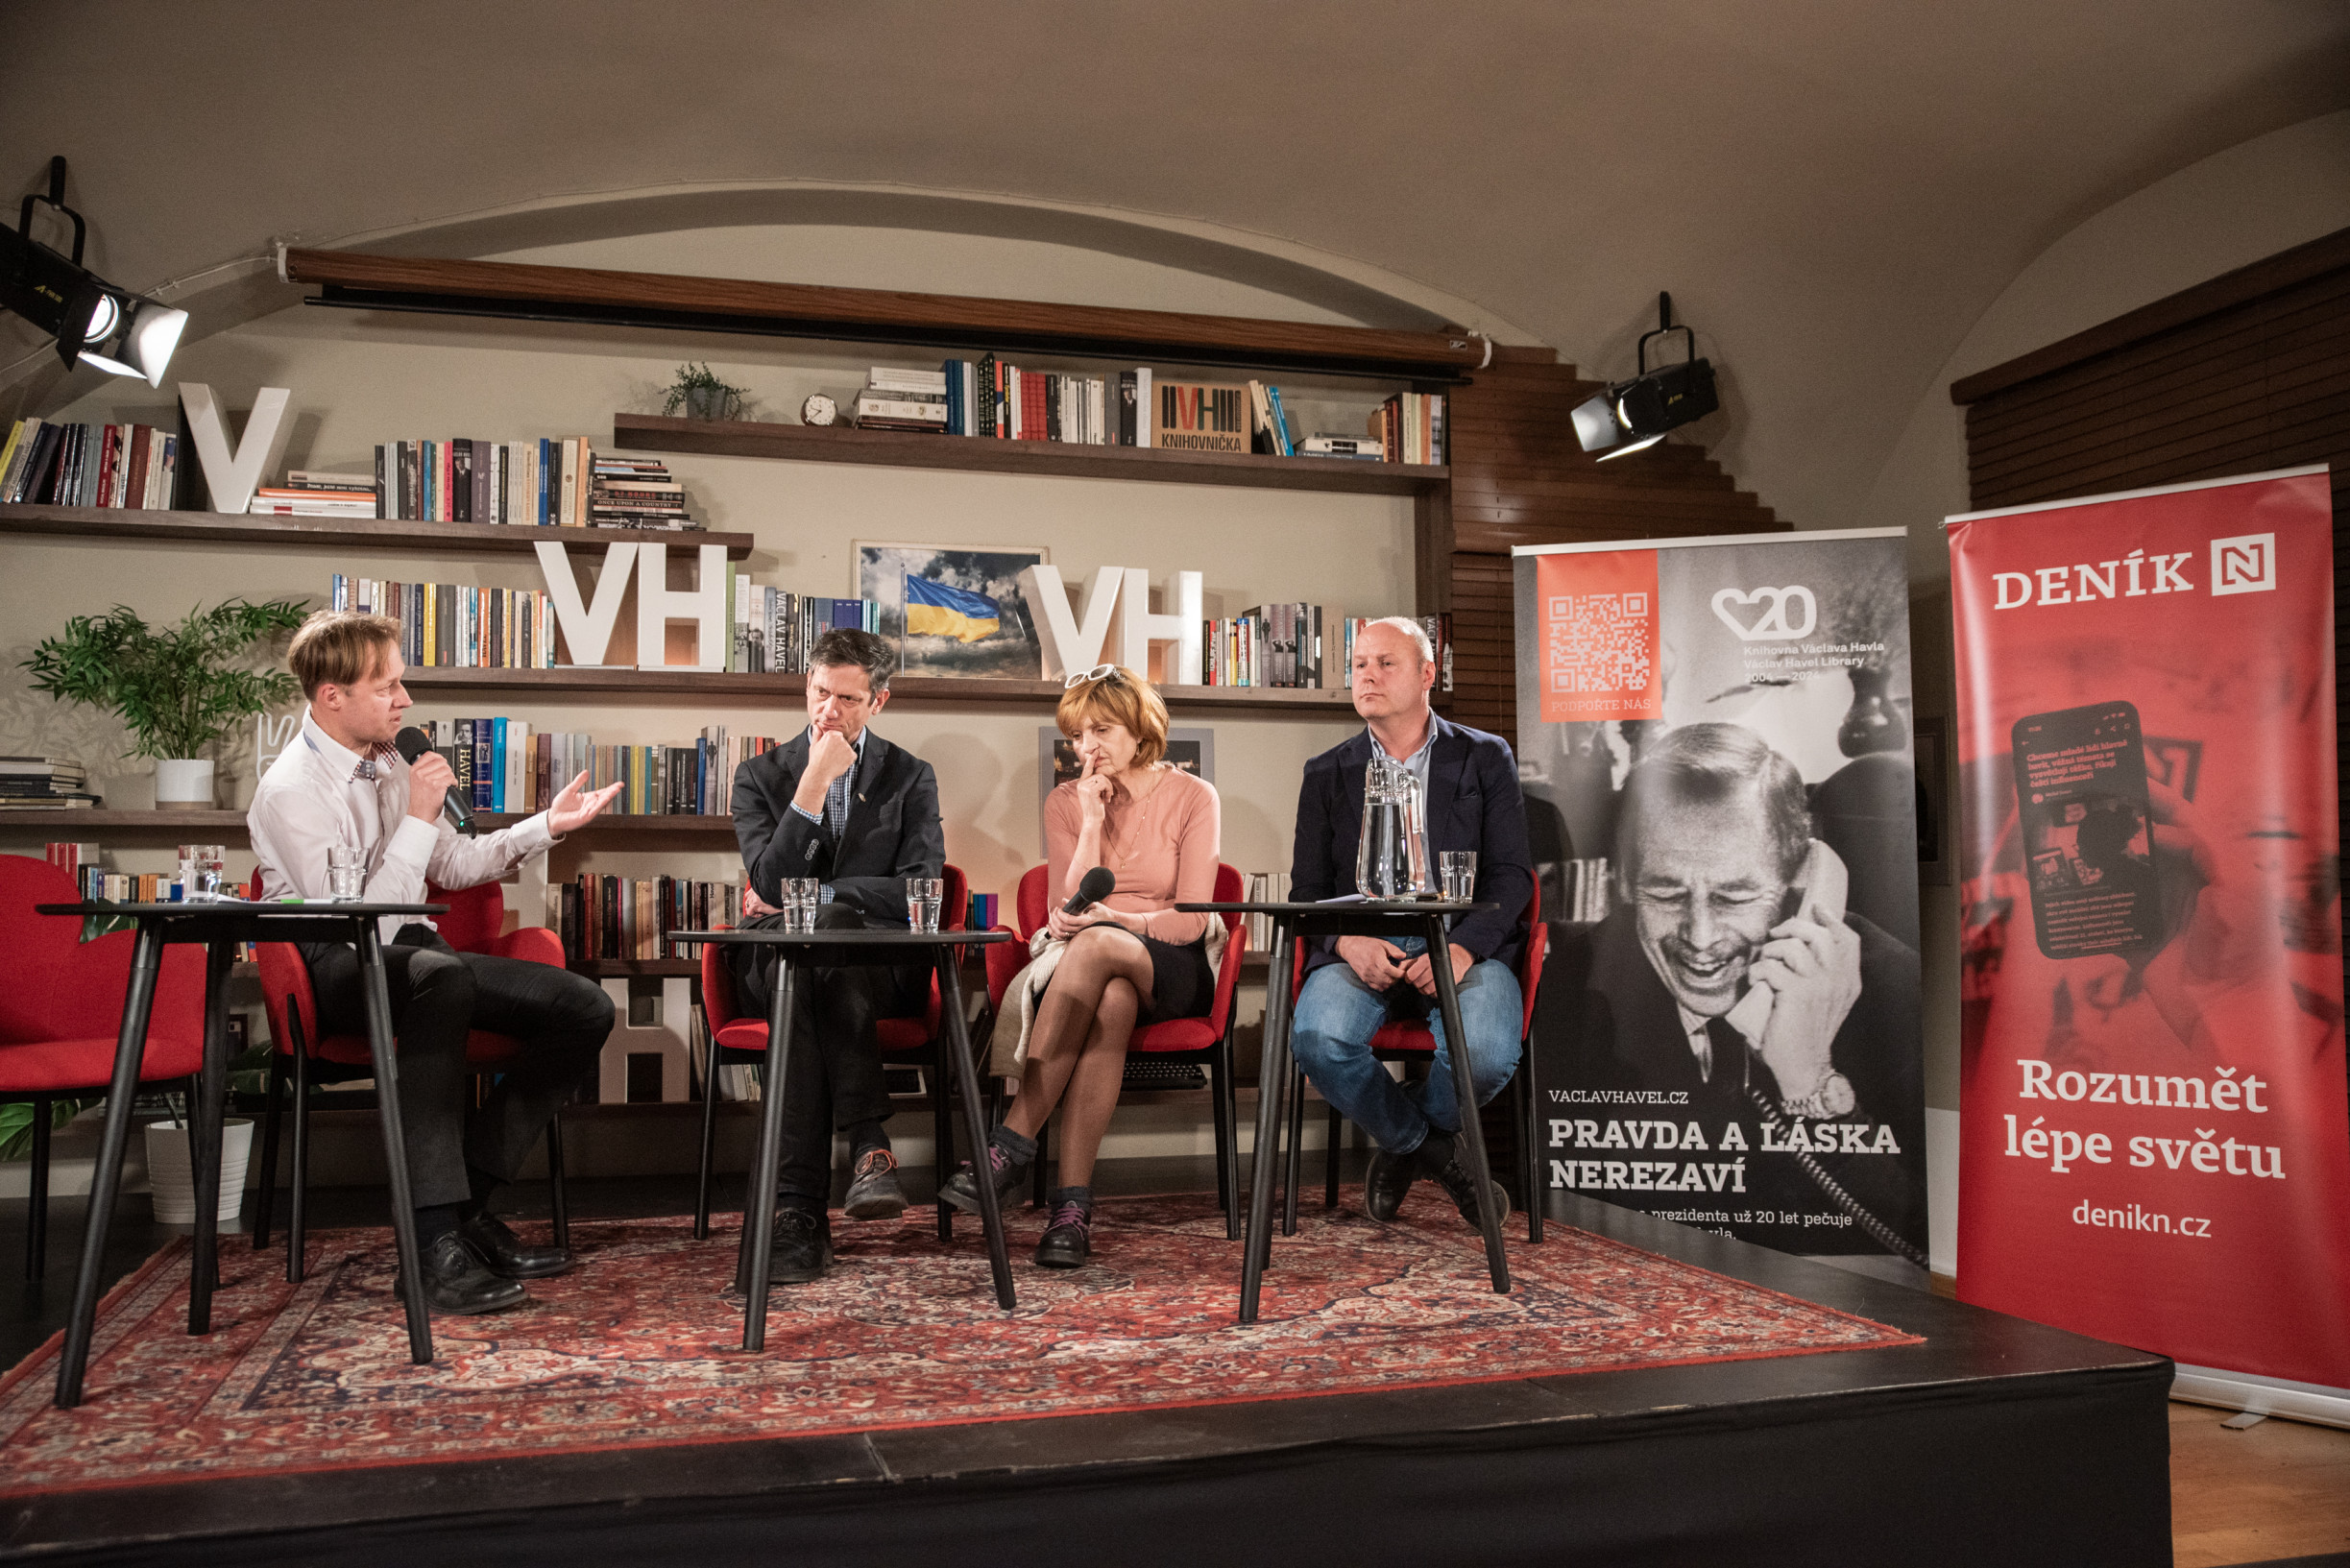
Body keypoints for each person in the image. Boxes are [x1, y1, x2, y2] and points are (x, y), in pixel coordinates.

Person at [248, 610, 621, 1315]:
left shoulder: (391, 762)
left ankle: (462, 1211)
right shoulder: (291, 790)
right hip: (336, 964)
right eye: (386, 686)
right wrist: (419, 815)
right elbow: (364, 917)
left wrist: (547, 825)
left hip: (419, 957)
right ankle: (427, 1250)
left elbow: (452, 864)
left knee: (583, 1008)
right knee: (439, 977)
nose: (406, 699)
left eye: (401, 682)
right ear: (332, 695)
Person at [1559, 721, 1924, 1245]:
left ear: (1801, 881)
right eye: (1666, 893)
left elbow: (1911, 1236)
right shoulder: (1568, 986)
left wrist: (1809, 1080)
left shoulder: (1896, 988)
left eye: (1734, 897)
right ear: (1627, 885)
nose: (1700, 936)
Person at [940, 665, 1219, 1266]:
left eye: (1102, 731)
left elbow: (1192, 920)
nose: (1086, 748)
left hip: (1172, 965)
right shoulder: (1067, 802)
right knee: (1111, 1000)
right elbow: (1067, 904)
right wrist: (1091, 819)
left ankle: (1011, 1143)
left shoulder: (1194, 797)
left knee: (1096, 947)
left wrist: (1114, 922)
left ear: (1140, 730)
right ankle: (1070, 1213)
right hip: (1095, 972)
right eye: (1077, 735)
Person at [1289, 616, 1532, 1227]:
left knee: (1484, 1054)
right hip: (1362, 947)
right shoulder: (1325, 772)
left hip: (1460, 942)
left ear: (1427, 674)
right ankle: (1433, 1151)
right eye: (1359, 664)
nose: (1367, 675)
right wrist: (1347, 943)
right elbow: (1307, 893)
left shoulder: (1483, 757)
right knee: (1318, 1039)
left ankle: (1403, 1142)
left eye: (1385, 663)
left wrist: (1463, 949)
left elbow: (1511, 876)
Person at [728, 627, 944, 1285]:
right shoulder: (760, 776)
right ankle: (869, 1142)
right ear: (807, 685)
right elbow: (770, 882)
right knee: (811, 959)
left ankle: (797, 1215)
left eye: (847, 699)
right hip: (776, 963)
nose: (829, 710)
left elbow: (920, 887)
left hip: (875, 970)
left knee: (818, 958)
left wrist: (820, 894)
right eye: (821, 692)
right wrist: (815, 783)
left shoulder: (910, 776)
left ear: (878, 701)